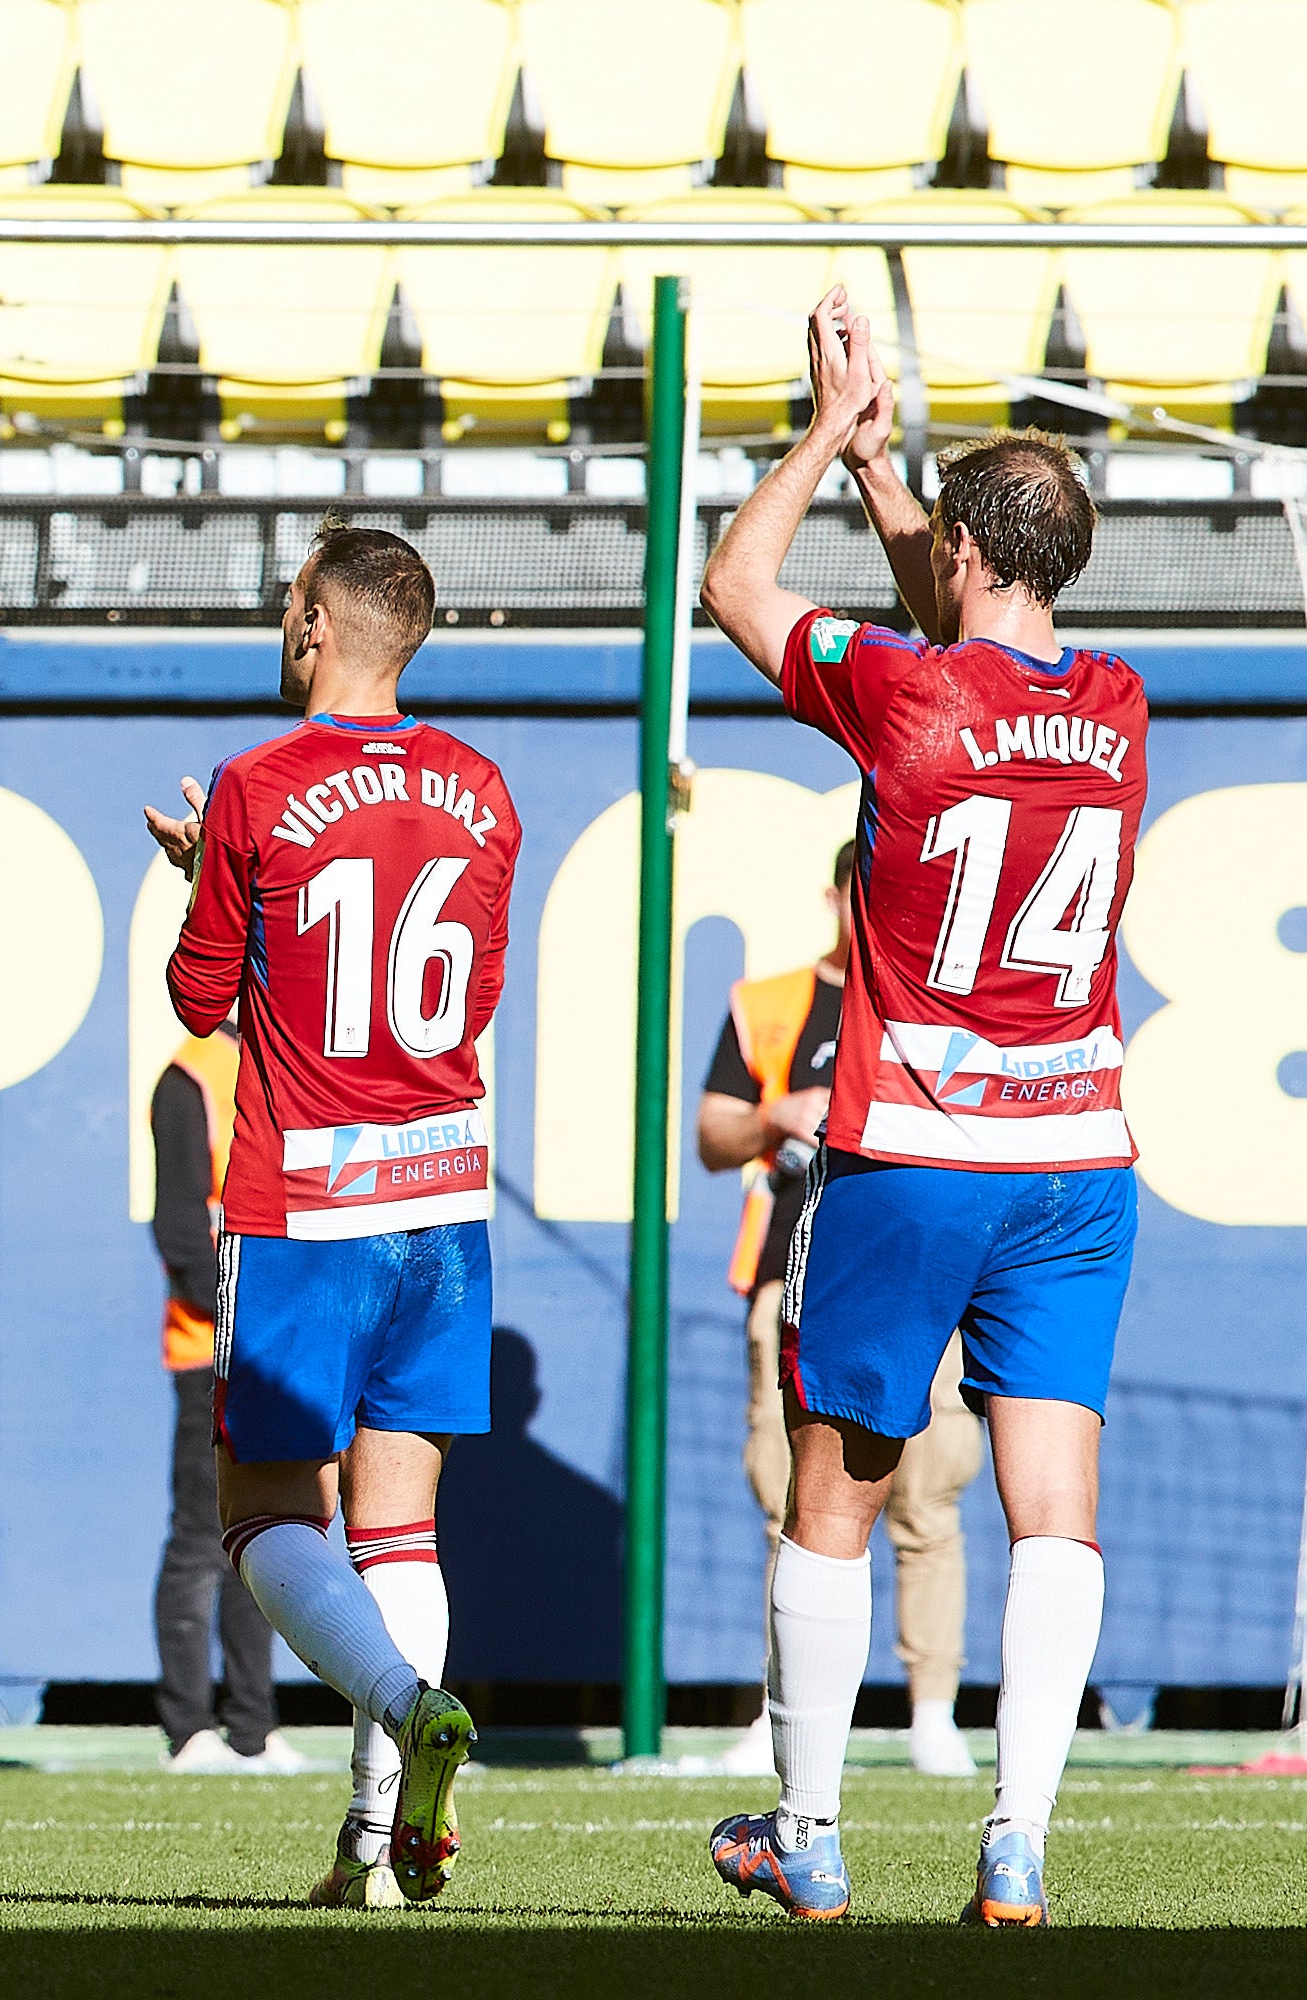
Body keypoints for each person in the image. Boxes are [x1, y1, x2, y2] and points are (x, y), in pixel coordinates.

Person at [700, 287, 1141, 1928]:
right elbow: (970, 631)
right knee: (1055, 1508)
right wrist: (907, 485)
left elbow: (733, 585)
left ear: (960, 556)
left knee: (839, 1486)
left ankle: (807, 1831)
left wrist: (827, 435)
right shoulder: (1114, 706)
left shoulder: (905, 695)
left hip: (917, 1148)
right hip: (1077, 1156)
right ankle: (1017, 1838)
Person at [146, 523, 519, 1907]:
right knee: (402, 1528)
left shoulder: (257, 784)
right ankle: (373, 1844)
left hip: (309, 1201)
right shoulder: (484, 789)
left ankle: (408, 1711)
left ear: (313, 625)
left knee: (259, 1519)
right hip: (445, 1199)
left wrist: (205, 875)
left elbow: (199, 1002)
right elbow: (469, 1003)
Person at [697, 841, 983, 1782]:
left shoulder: (939, 996)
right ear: (837, 893)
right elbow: (710, 1133)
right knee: (791, 1499)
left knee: (926, 1494)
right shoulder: (776, 1002)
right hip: (794, 1275)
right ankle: (780, 1719)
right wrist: (776, 1117)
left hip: (916, 1277)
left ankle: (931, 1710)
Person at [144, 1022, 299, 1775]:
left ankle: (252, 1729)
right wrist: (247, 1311)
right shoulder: (191, 1079)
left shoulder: (290, 1065)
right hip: (211, 1351)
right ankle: (187, 1729)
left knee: (266, 1535)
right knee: (201, 1538)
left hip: (275, 1354)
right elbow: (178, 1235)